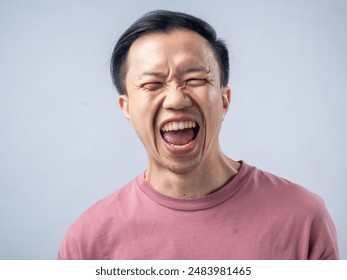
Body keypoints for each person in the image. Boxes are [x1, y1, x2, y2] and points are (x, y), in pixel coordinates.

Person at [58, 10, 339, 260]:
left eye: (195, 80)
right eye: (152, 84)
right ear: (127, 108)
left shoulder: (303, 218)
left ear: (225, 100)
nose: (176, 100)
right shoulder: (88, 241)